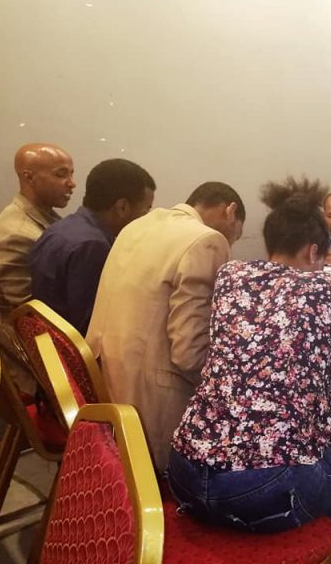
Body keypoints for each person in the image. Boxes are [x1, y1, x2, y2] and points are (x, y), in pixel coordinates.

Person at [168, 177, 331, 548]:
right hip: (262, 487)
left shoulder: (230, 277)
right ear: (315, 252)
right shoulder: (327, 290)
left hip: (184, 473)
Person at [86, 182, 244, 470]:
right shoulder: (207, 240)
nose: (231, 243)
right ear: (230, 211)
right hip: (151, 410)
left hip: (104, 388)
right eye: (236, 235)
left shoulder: (137, 226)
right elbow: (189, 355)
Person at [31, 159, 156, 335]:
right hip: (70, 348)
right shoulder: (92, 246)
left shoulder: (60, 228)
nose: (147, 219)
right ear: (122, 207)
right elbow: (92, 327)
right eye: (145, 211)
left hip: (46, 342)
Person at [0, 143, 75, 394]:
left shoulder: (44, 218)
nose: (72, 183)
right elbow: (30, 317)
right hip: (25, 368)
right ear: (29, 177)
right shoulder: (16, 234)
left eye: (71, 174)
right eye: (61, 174)